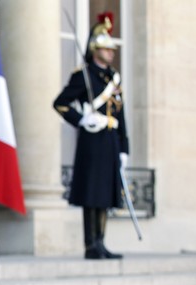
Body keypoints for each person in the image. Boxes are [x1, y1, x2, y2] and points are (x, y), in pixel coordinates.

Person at [53, 12, 129, 260]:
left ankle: (101, 242)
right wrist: (82, 119)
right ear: (95, 49)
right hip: (92, 140)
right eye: (106, 49)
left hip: (110, 140)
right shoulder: (82, 75)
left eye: (111, 50)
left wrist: (124, 147)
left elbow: (121, 115)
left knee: (106, 193)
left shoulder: (113, 79)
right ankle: (91, 244)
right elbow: (61, 103)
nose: (111, 53)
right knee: (92, 193)